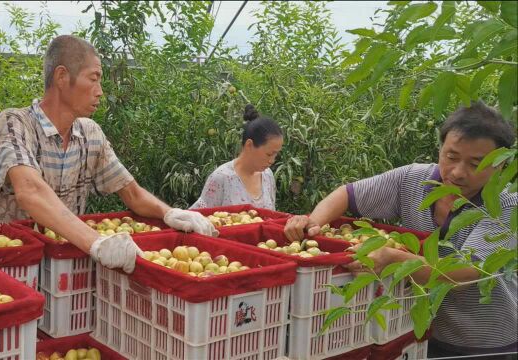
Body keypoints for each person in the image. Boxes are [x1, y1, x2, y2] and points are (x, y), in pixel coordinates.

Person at [284, 101, 517, 358]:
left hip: (485, 343)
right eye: (451, 157)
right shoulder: (413, 179)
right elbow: (348, 195)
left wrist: (394, 258)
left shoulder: (505, 207)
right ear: (440, 150)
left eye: (476, 164)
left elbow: (464, 274)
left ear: (500, 167)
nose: (458, 172)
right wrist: (314, 224)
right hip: (421, 329)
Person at [0, 35, 217, 274]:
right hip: (3, 266)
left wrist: (170, 213)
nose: (100, 91)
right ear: (62, 76)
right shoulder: (15, 123)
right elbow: (30, 191)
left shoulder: (90, 133)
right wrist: (96, 242)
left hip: (60, 266)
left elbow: (131, 192)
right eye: (94, 79)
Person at [190, 104, 283, 210]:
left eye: (276, 154)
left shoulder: (267, 176)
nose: (272, 161)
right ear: (249, 145)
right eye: (269, 154)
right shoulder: (222, 177)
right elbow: (198, 218)